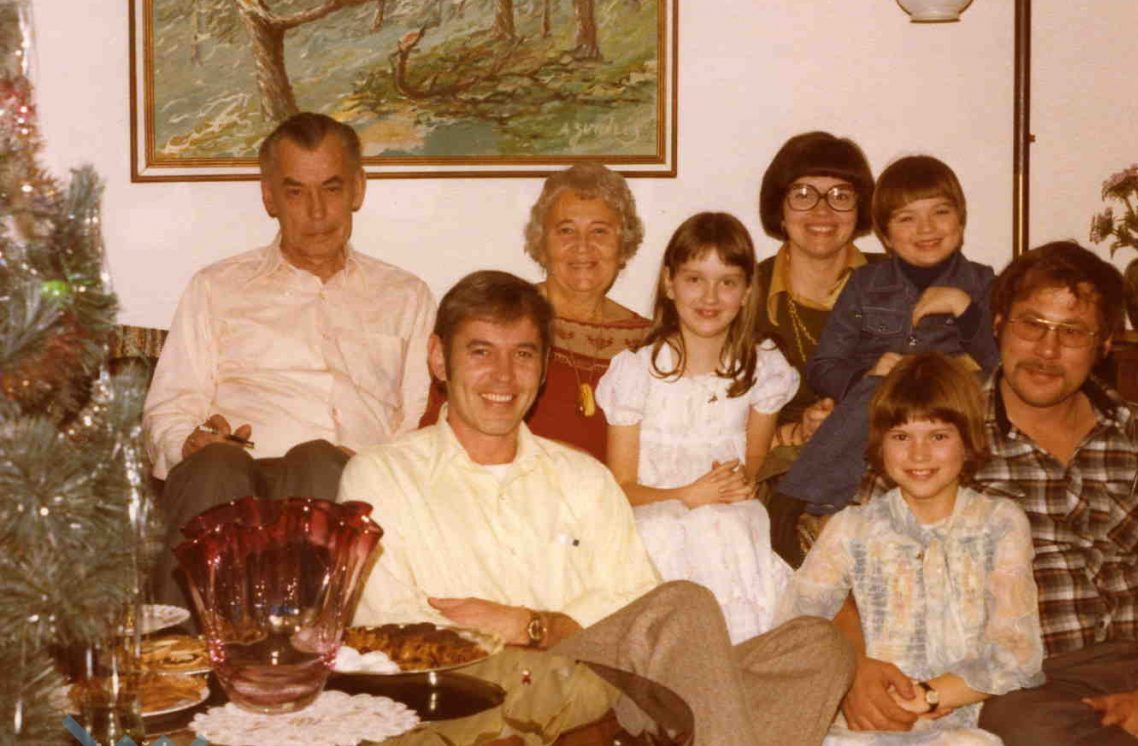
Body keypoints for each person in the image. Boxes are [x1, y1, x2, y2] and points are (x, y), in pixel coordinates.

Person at [341, 270, 855, 746]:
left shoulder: (583, 477)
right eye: (480, 352)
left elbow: (630, 602)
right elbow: (390, 629)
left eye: (523, 354)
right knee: (683, 606)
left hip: (601, 683)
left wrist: (532, 625)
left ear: (544, 366)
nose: (504, 376)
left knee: (816, 646)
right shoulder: (381, 476)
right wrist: (537, 635)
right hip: (475, 689)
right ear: (438, 359)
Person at [837, 242, 1138, 746]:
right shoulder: (937, 431)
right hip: (1030, 681)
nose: (1047, 351)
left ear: (1104, 345)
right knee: (1027, 728)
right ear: (999, 324)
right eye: (1032, 325)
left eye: (1073, 332)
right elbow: (852, 576)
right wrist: (858, 665)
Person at [144, 112, 435, 606]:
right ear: (269, 197)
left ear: (358, 189)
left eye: (332, 188)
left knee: (320, 460)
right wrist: (188, 443)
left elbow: (418, 419)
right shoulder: (216, 288)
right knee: (216, 465)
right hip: (234, 490)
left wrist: (374, 469)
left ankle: (310, 644)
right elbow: (167, 410)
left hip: (342, 487)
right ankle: (191, 650)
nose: (316, 212)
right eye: (296, 192)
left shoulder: (406, 296)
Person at [779, 352, 1043, 745]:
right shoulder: (851, 527)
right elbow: (796, 624)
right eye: (901, 437)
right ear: (880, 444)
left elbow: (1017, 649)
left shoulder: (999, 522)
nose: (919, 455)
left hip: (955, 725)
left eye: (938, 436)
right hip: (860, 725)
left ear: (968, 440)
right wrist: (853, 671)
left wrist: (927, 695)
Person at [595, 212, 798, 643]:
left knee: (728, 528)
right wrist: (686, 495)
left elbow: (755, 458)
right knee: (669, 531)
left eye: (727, 282)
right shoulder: (637, 373)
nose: (710, 296)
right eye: (694, 279)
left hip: (726, 518)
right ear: (669, 283)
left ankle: (739, 653)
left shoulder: (762, 367)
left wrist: (741, 480)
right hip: (652, 513)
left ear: (747, 291)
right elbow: (621, 488)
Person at [779, 155, 998, 530]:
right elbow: (823, 365)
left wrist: (964, 310)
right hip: (878, 412)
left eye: (940, 212)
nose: (926, 228)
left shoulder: (981, 283)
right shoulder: (865, 284)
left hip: (951, 409)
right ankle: (810, 502)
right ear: (884, 234)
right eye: (906, 218)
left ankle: (808, 498)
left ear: (960, 220)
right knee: (881, 387)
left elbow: (1001, 364)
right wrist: (865, 374)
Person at [419, 163, 649, 462]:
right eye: (566, 230)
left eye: (599, 231)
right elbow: (439, 436)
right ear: (541, 242)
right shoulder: (497, 323)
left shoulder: (651, 342)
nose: (583, 246)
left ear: (623, 244)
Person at [753, 131, 884, 566]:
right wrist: (795, 431)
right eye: (804, 194)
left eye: (841, 195)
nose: (823, 211)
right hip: (785, 475)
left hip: (887, 465)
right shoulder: (743, 292)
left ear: (860, 207)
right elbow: (715, 412)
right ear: (780, 205)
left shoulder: (896, 281)